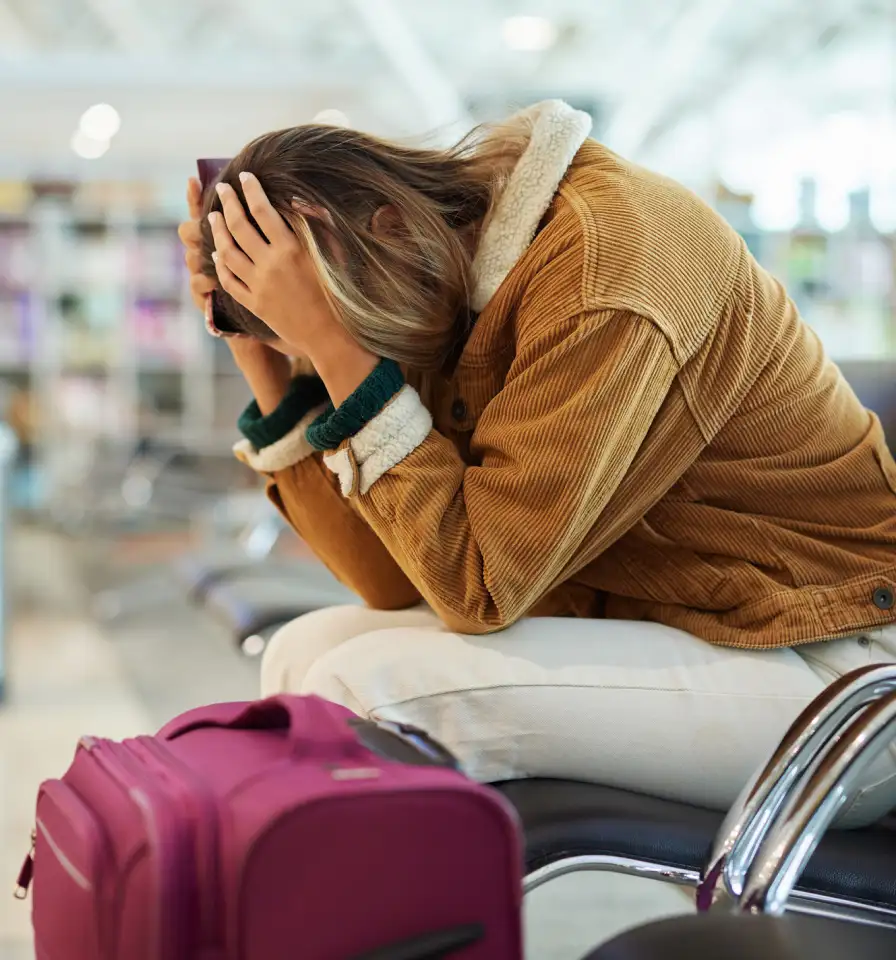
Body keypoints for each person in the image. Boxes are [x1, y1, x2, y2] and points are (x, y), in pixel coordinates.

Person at [178, 101, 896, 823]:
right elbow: (390, 580)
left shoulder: (607, 268)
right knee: (302, 651)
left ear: (386, 227)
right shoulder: (434, 272)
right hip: (698, 624)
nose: (345, 344)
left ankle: (397, 933)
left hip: (841, 666)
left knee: (366, 687)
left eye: (336, 324)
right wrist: (264, 358)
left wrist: (340, 351)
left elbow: (478, 587)